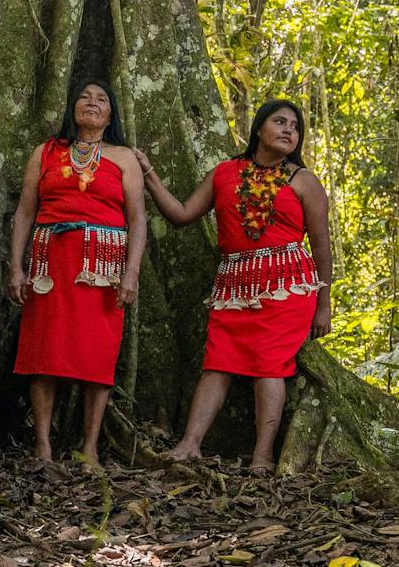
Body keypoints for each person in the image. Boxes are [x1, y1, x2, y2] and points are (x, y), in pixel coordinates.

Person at [136, 98, 332, 473]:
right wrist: (148, 173)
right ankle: (190, 444)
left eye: (295, 126)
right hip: (234, 286)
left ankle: (263, 455)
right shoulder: (225, 172)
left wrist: (324, 304)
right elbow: (180, 214)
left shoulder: (305, 181)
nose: (289, 129)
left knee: (269, 365)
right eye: (280, 121)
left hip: (287, 286)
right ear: (259, 128)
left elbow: (322, 248)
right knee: (217, 363)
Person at [8, 79, 145, 467]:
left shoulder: (123, 157)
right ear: (71, 107)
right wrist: (16, 267)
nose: (92, 102)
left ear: (111, 114)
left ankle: (90, 447)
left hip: (102, 268)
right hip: (51, 264)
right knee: (43, 350)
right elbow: (24, 211)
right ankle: (43, 446)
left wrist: (131, 272)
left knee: (97, 354)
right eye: (84, 96)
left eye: (102, 99)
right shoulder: (47, 152)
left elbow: (138, 219)